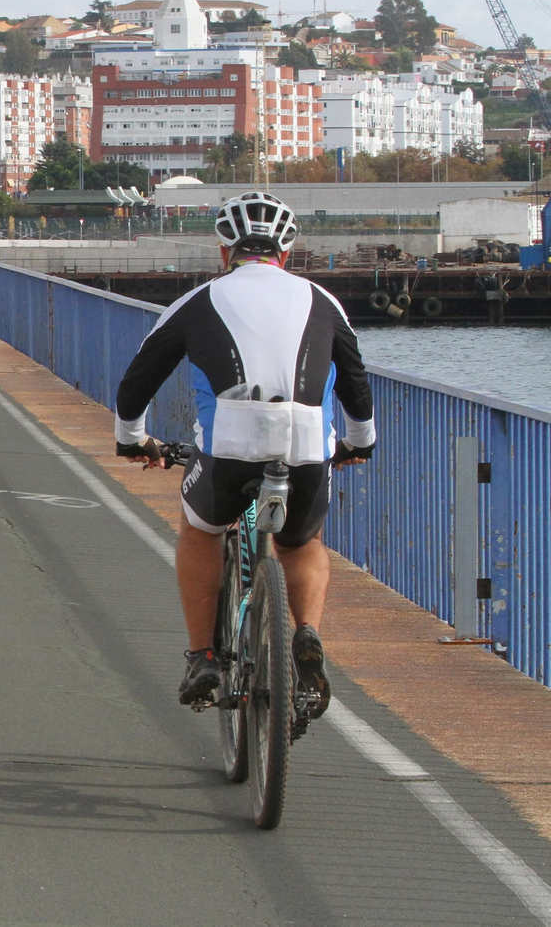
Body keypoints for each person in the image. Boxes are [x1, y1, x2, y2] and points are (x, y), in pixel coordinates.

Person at [113, 191, 376, 715]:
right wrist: (358, 443)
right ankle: (306, 635)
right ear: (286, 250)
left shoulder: (198, 301)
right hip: (305, 443)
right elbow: (355, 381)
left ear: (224, 250)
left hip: (230, 444)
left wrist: (132, 438)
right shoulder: (323, 301)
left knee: (202, 530)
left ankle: (204, 655)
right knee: (300, 544)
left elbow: (137, 382)